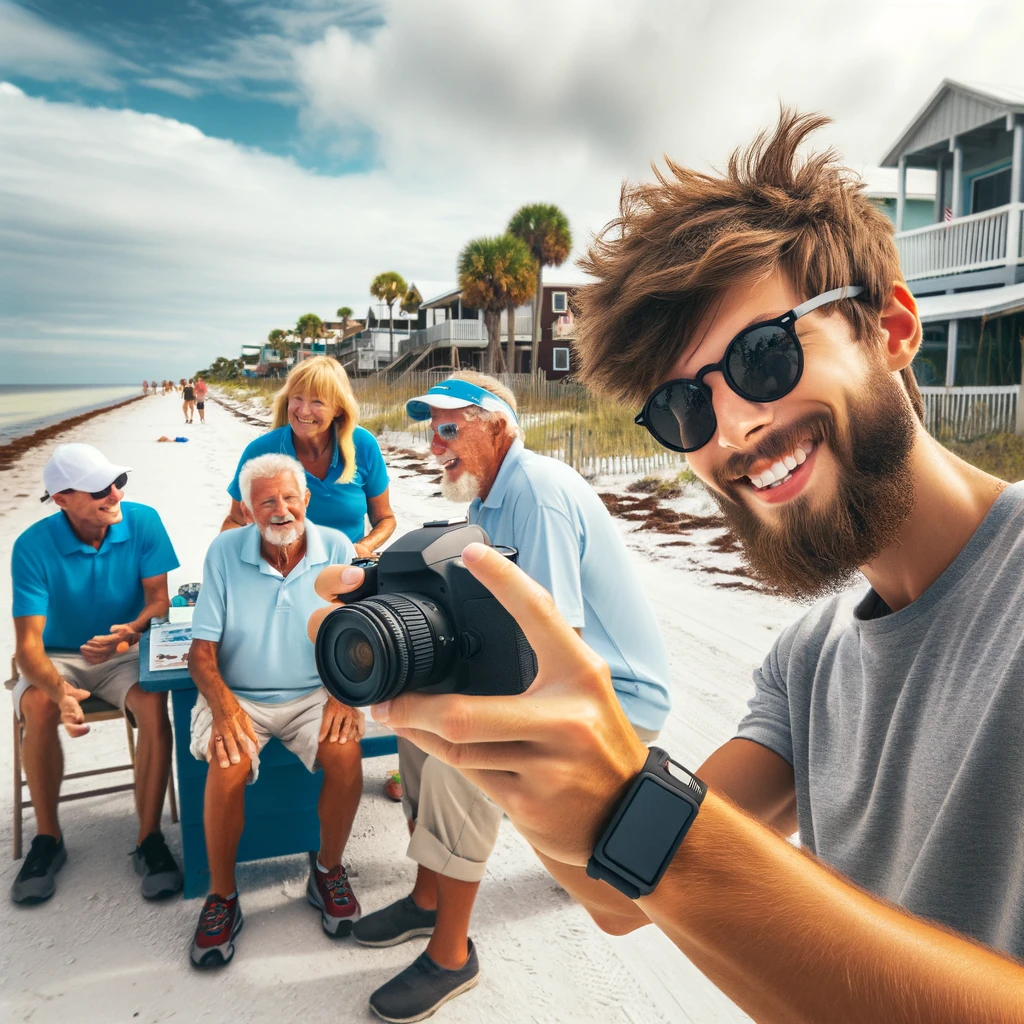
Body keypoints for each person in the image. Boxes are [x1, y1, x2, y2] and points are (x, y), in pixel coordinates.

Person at [315, 112, 1024, 1021]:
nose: (732, 430)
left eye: (763, 356)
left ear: (888, 326)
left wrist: (630, 799)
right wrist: (463, 724)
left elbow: (661, 861)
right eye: (685, 409)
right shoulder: (808, 663)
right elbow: (613, 898)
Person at [312, 372, 671, 1023]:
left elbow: (557, 641)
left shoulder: (534, 491)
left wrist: (471, 718)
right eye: (431, 431)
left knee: (459, 751)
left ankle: (452, 955)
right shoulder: (486, 501)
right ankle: (427, 898)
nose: (433, 446)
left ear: (498, 425)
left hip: (614, 696)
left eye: (448, 429)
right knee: (416, 729)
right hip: (555, 672)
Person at [188, 453, 365, 967]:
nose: (281, 510)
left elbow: (356, 633)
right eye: (266, 501)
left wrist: (341, 694)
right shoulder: (223, 552)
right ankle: (222, 896)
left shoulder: (336, 547)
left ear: (306, 500)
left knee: (346, 754)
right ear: (247, 509)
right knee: (226, 765)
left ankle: (327, 869)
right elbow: (201, 653)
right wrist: (224, 711)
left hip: (317, 689)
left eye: (290, 498)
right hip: (239, 694)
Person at [10, 443, 182, 904]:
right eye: (98, 489)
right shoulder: (31, 546)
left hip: (123, 649)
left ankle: (149, 839)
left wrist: (130, 631)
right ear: (62, 499)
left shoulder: (143, 521)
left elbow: (159, 602)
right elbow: (27, 646)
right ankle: (48, 838)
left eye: (117, 482)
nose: (114, 494)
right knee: (40, 707)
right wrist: (58, 689)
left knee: (153, 705)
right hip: (56, 655)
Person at [221, 355, 396, 554]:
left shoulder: (363, 445)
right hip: (279, 575)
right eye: (298, 398)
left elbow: (385, 519)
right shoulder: (261, 451)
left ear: (338, 408)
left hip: (345, 573)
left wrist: (362, 548)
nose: (304, 411)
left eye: (317, 402)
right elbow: (236, 521)